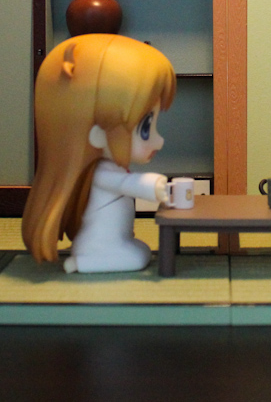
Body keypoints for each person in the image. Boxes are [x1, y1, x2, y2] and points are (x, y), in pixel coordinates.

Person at [22, 34, 176, 273]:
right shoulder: (102, 174)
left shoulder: (107, 169)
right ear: (96, 134)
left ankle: (105, 252)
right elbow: (127, 184)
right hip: (99, 245)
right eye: (145, 128)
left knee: (141, 252)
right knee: (138, 258)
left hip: (112, 241)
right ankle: (83, 262)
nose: (159, 140)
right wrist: (155, 185)